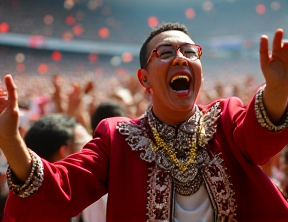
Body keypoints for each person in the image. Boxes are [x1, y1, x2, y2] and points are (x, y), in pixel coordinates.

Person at [0, 22, 288, 221]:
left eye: (189, 52)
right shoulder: (117, 138)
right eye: (164, 52)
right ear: (144, 79)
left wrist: (276, 92)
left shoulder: (225, 117)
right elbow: (62, 188)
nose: (180, 58)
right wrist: (10, 141)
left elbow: (259, 140)